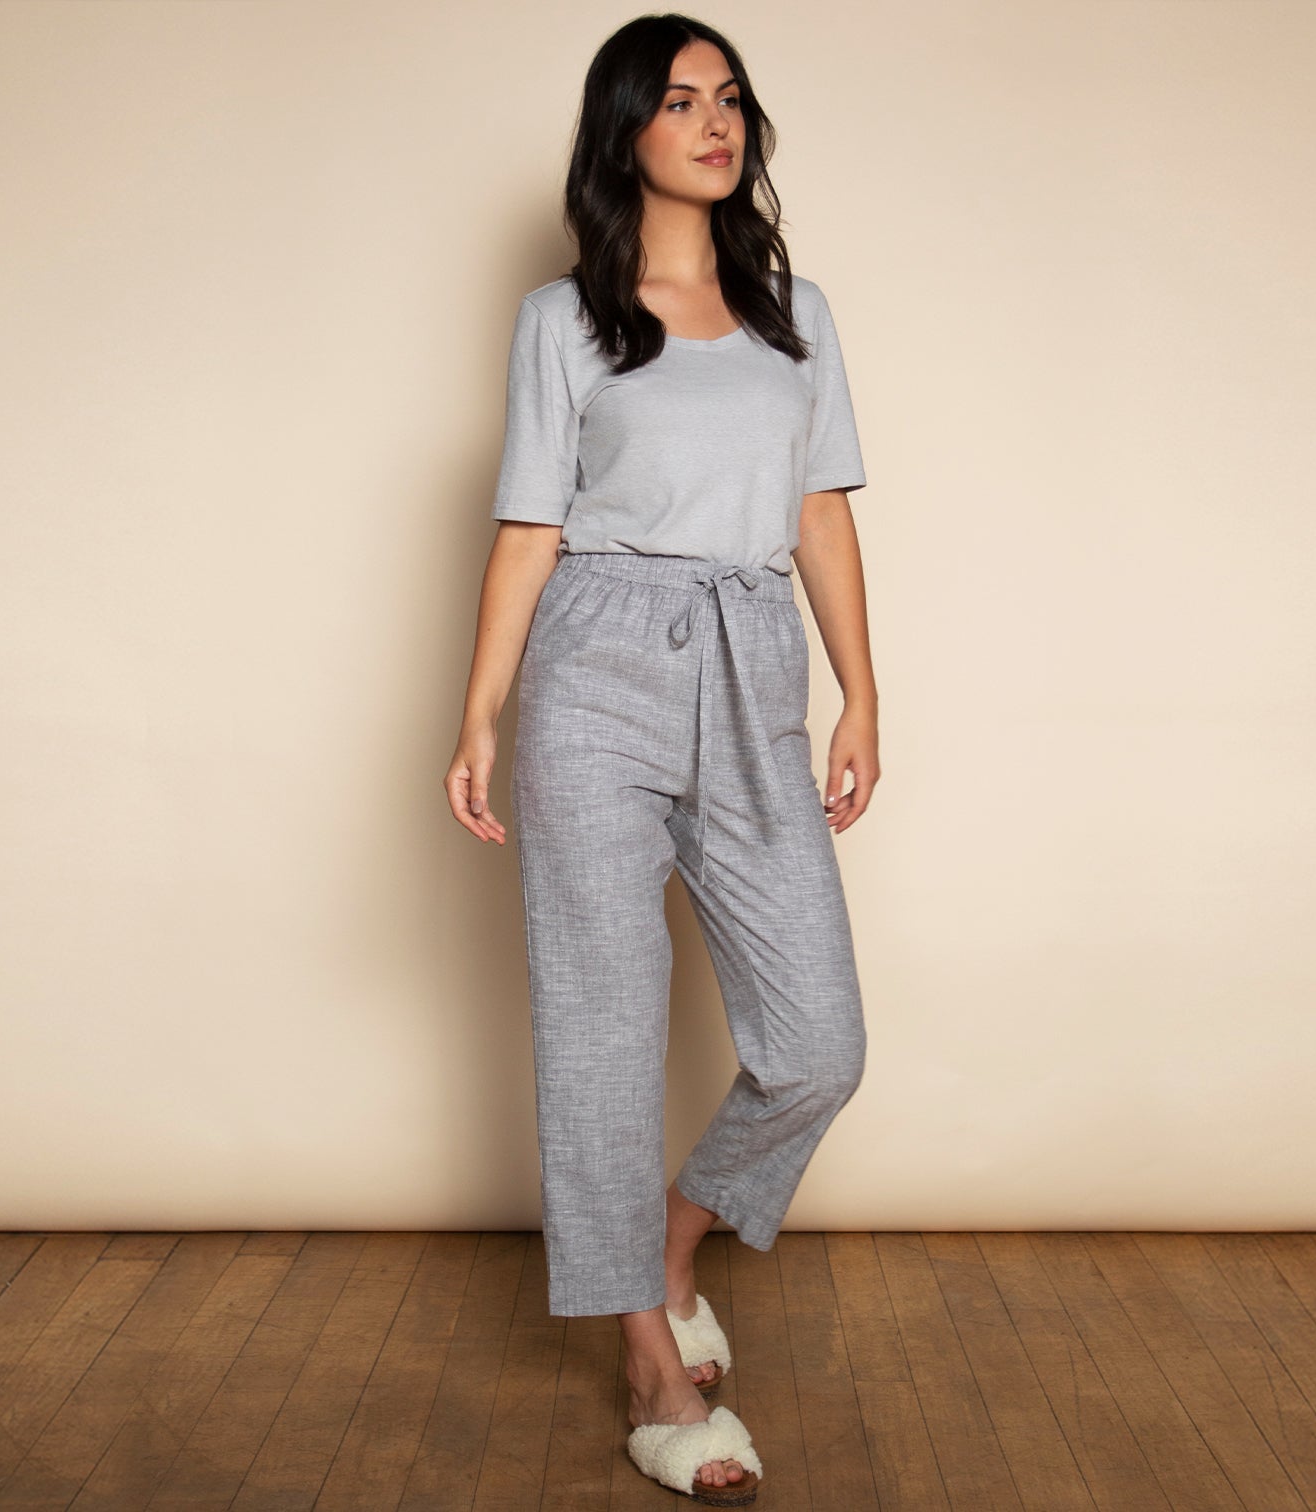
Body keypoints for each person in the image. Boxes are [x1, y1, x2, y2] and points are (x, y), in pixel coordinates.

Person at [443, 13, 878, 1505]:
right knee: (602, 1027)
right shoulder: (561, 320)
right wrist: (481, 713)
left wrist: (861, 696)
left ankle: (678, 1237)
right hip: (597, 664)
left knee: (818, 1043)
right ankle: (647, 1360)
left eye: (730, 97)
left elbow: (821, 512)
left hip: (753, 662)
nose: (715, 121)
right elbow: (531, 526)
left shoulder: (796, 314)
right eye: (680, 99)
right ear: (624, 130)